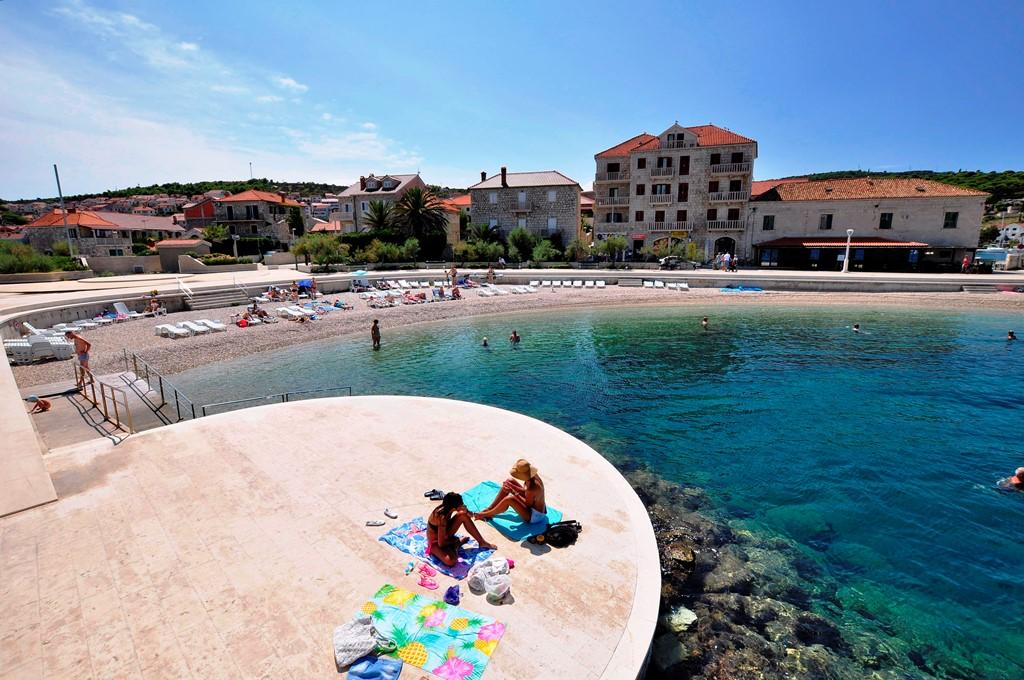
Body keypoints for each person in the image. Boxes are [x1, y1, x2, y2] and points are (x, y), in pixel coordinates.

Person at [428, 492, 496, 566]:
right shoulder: (442, 517)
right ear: (454, 508)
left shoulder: (448, 506)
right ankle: (455, 545)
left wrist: (467, 511)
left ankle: (482, 542)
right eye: (461, 505)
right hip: (436, 542)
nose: (462, 505)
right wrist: (455, 541)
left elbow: (470, 515)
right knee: (451, 561)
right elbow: (441, 544)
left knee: (463, 515)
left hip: (444, 534)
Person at [474, 459, 547, 524]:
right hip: (533, 505)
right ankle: (490, 508)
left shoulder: (532, 488)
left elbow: (528, 505)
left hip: (535, 516)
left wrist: (513, 492)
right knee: (509, 481)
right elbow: (526, 493)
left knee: (509, 499)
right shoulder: (532, 476)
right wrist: (512, 487)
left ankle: (486, 514)